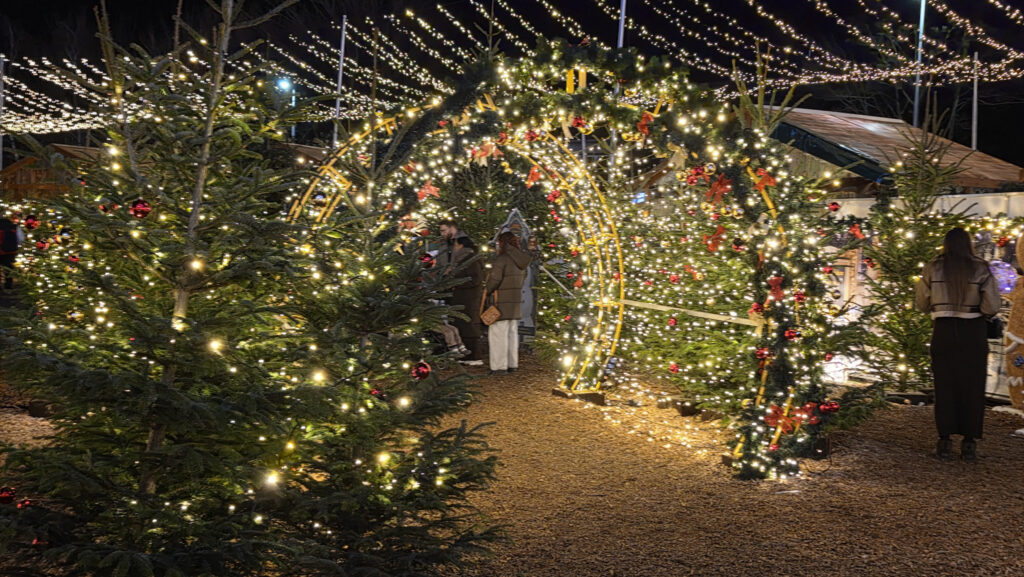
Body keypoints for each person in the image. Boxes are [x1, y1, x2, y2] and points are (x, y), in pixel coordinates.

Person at [915, 227, 1000, 462]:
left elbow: (921, 303)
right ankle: (969, 442)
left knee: (944, 385)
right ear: (968, 244)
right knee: (972, 385)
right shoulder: (981, 268)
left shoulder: (933, 267)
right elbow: (992, 306)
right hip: (972, 332)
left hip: (942, 331)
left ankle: (944, 440)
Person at [484, 231, 532, 375]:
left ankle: (499, 366)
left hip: (501, 302)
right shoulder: (521, 260)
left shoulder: (502, 259)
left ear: (503, 243)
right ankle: (512, 363)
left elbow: (494, 280)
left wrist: (487, 290)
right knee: (511, 334)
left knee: (498, 334)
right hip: (515, 302)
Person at [448, 236, 484, 365]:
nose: (454, 248)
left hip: (468, 299)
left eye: (456, 245)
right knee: (463, 325)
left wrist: (457, 282)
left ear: (462, 246)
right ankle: (466, 356)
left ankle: (474, 356)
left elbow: (474, 279)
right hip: (464, 298)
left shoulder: (470, 260)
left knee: (468, 325)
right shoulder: (466, 259)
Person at [0, 217, 26, 291]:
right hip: (10, 252)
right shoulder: (14, 227)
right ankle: (8, 286)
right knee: (8, 269)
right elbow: (21, 239)